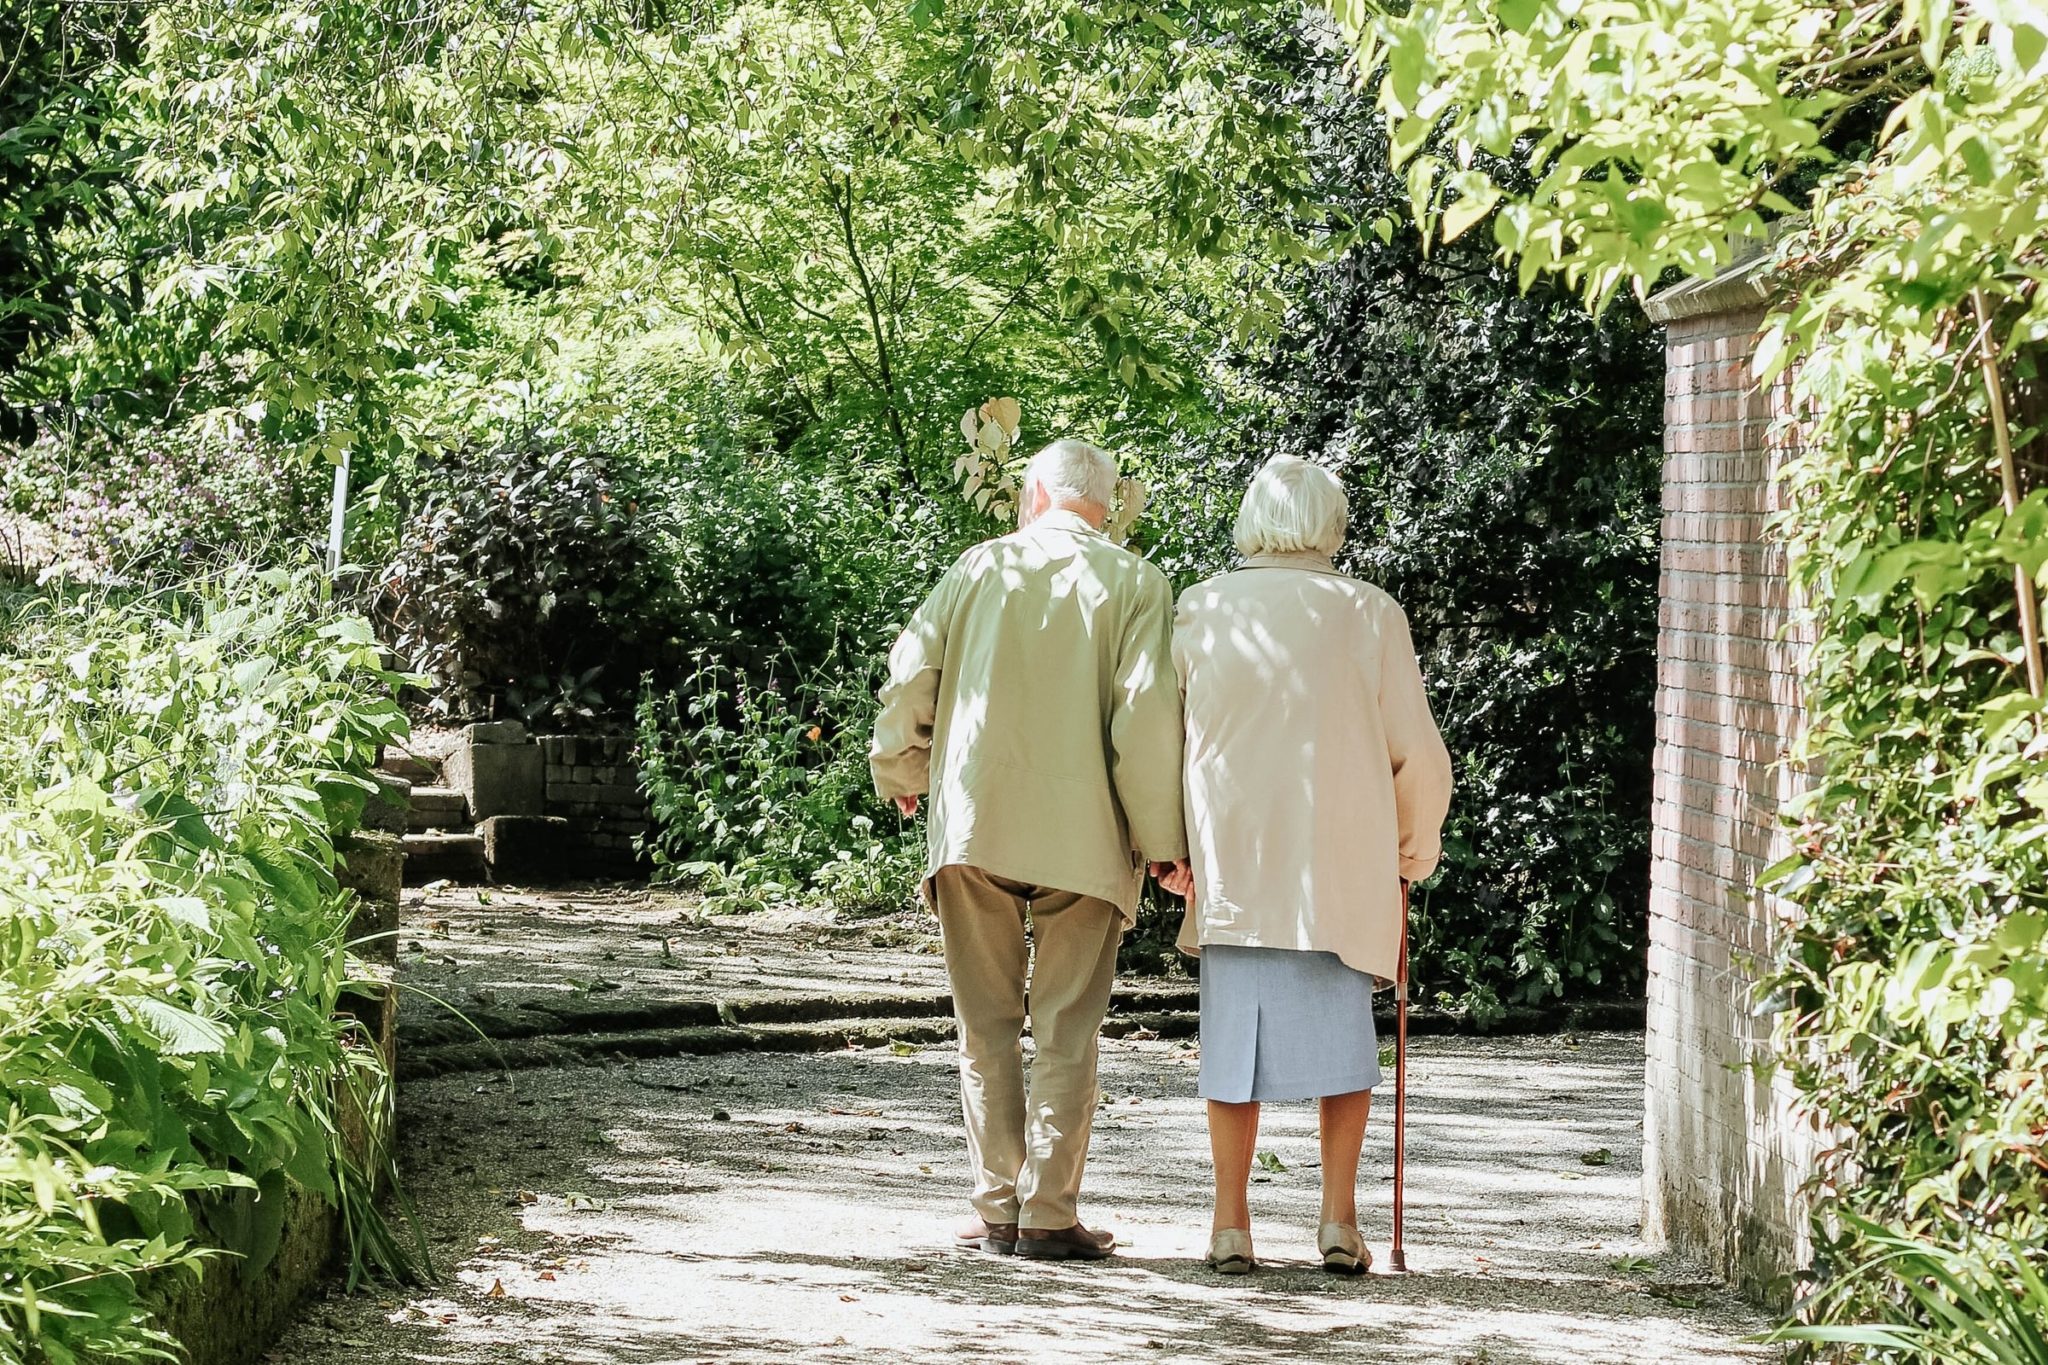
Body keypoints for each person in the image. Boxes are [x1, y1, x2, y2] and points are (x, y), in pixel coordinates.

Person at [870, 438, 1189, 1263]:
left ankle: (996, 1206)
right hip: (1085, 835)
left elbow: (912, 677)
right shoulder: (1137, 582)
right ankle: (1048, 1211)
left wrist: (900, 766)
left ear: (1035, 493)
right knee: (1067, 1027)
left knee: (984, 1024)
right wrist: (1163, 843)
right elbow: (1145, 720)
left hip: (978, 823)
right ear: (1107, 505)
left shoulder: (977, 568)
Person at [1165, 454, 1452, 1276]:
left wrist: (1170, 847)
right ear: (1333, 523)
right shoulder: (1370, 614)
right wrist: (1412, 846)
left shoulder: (1202, 607)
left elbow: (1167, 739)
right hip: (1341, 862)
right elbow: (1417, 754)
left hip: (1237, 860)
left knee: (1230, 1049)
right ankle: (1337, 1219)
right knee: (1344, 1048)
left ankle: (1229, 1222)